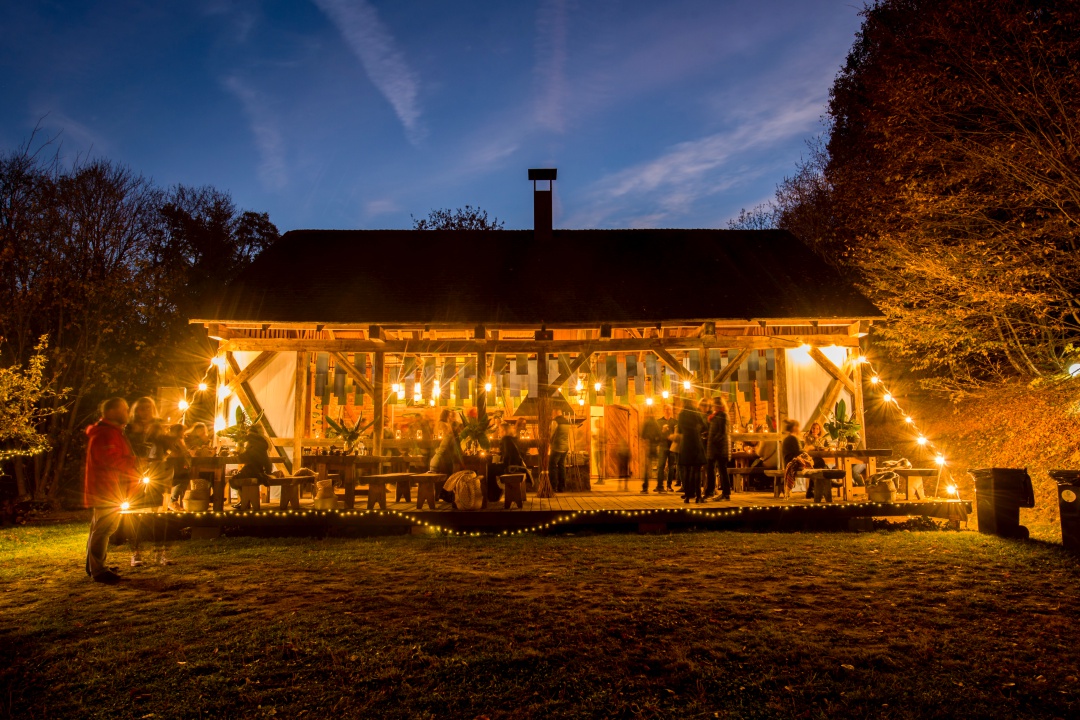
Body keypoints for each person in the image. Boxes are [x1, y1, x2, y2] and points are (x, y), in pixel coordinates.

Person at [84, 397, 140, 584]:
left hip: (108, 486)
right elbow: (110, 460)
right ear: (112, 412)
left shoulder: (110, 432)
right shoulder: (106, 434)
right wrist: (135, 462)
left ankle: (94, 566)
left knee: (100, 527)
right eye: (124, 409)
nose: (128, 413)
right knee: (104, 528)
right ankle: (98, 570)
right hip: (106, 487)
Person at [676, 397, 706, 503]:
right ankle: (698, 496)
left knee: (686, 470)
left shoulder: (681, 414)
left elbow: (679, 430)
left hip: (685, 443)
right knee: (697, 470)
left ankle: (688, 497)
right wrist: (698, 431)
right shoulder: (696, 412)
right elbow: (704, 426)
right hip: (695, 441)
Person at [706, 397, 731, 501]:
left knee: (722, 471)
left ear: (718, 405)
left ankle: (726, 493)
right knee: (711, 469)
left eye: (714, 404)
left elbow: (722, 432)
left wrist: (713, 439)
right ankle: (710, 491)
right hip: (715, 448)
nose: (712, 406)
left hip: (720, 448)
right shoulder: (716, 416)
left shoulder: (722, 415)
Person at [640, 408, 664, 493]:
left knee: (647, 468)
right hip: (655, 446)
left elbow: (642, 435)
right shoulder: (656, 423)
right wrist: (657, 442)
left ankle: (645, 487)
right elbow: (660, 436)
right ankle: (660, 486)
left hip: (648, 446)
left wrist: (646, 441)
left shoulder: (646, 423)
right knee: (658, 467)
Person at [656, 405, 677, 491]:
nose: (668, 411)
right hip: (663, 446)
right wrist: (662, 431)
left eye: (669, 409)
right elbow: (657, 435)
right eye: (666, 409)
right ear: (663, 410)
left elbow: (676, 434)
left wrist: (672, 435)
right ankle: (660, 486)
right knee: (661, 466)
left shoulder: (675, 422)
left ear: (671, 411)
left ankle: (669, 486)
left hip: (672, 446)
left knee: (671, 466)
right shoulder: (659, 422)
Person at [549, 408, 571, 493]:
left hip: (556, 447)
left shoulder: (555, 421)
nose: (552, 415)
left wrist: (549, 442)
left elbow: (551, 434)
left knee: (552, 466)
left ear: (555, 413)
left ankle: (553, 486)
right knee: (561, 466)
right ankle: (561, 487)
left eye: (552, 413)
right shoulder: (566, 421)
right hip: (565, 447)